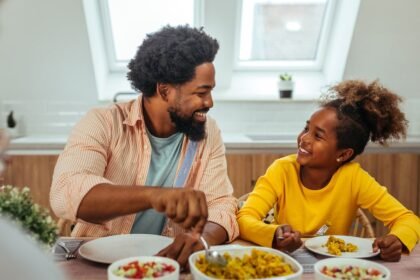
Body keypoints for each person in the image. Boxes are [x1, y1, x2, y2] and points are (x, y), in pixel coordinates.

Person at [50, 25, 239, 267]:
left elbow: (220, 204)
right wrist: (154, 196)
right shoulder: (103, 122)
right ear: (164, 90)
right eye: (201, 92)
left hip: (164, 266)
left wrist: (202, 240)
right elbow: (67, 192)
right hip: (97, 266)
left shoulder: (207, 131)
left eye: (210, 91)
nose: (209, 102)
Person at [237, 80, 420, 262]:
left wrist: (397, 240)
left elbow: (408, 220)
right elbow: (244, 218)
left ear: (343, 154)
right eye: (306, 128)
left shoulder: (353, 178)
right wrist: (275, 234)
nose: (304, 139)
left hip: (333, 268)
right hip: (285, 262)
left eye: (317, 136)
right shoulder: (282, 170)